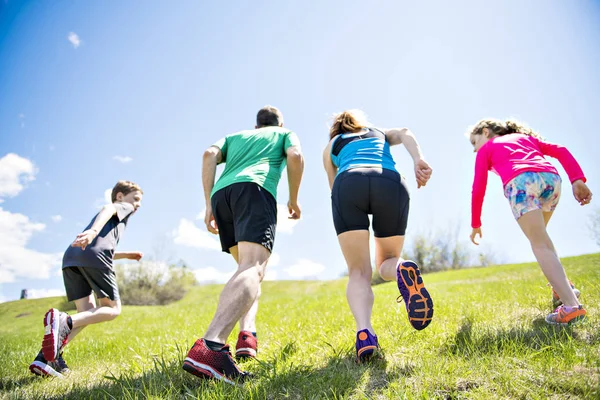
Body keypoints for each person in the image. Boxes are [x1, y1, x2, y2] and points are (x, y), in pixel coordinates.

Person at [183, 105, 304, 384]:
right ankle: (211, 346)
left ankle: (247, 335)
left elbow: (208, 154)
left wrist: (208, 205)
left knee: (245, 269)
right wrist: (294, 199)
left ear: (257, 124)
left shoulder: (235, 136)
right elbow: (295, 156)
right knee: (253, 267)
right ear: (278, 123)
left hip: (222, 195)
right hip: (255, 188)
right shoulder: (285, 133)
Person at [322, 110, 434, 363]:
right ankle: (401, 267)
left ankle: (365, 333)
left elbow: (333, 186)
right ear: (360, 123)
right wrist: (418, 160)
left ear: (336, 128)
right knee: (387, 262)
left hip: (348, 182)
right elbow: (405, 131)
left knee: (359, 272)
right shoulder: (379, 133)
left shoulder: (331, 145)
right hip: (390, 182)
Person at [468, 118, 591, 325]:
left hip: (520, 183)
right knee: (542, 239)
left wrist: (475, 223)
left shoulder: (486, 149)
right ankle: (562, 288)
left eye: (474, 142)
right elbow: (560, 150)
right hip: (551, 180)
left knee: (539, 243)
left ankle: (571, 307)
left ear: (486, 132)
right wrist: (577, 179)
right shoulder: (524, 138)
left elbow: (478, 187)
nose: (474, 149)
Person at [29, 180, 144, 378]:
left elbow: (101, 249)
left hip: (73, 257)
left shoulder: (113, 226)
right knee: (112, 309)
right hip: (93, 255)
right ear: (120, 196)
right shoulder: (121, 207)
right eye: (135, 199)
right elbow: (108, 209)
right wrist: (92, 232)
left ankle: (46, 358)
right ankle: (65, 320)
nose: (137, 205)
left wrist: (126, 255)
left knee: (87, 313)